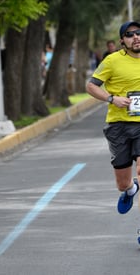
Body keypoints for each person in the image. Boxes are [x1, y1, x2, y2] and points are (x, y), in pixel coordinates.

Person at [86, 21, 140, 216]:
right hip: (119, 125)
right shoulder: (112, 61)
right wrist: (111, 98)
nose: (136, 37)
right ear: (122, 40)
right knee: (122, 183)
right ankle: (130, 190)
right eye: (130, 34)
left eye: (138, 33)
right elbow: (91, 86)